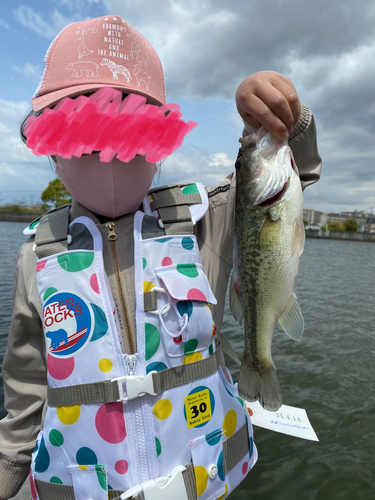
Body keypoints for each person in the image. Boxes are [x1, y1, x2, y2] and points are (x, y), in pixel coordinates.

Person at [0, 14, 321, 500]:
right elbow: (26, 384)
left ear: (157, 141)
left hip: (204, 481)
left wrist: (279, 117)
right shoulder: (36, 255)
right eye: (82, 129)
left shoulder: (202, 220)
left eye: (129, 127)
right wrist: (10, 463)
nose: (107, 151)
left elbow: (279, 184)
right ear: (51, 145)